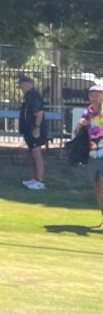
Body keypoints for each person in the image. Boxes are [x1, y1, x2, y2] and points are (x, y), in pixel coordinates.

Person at [72, 83, 103, 228]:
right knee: (97, 187)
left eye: (98, 94)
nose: (94, 97)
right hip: (93, 154)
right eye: (92, 94)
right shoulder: (88, 112)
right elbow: (76, 132)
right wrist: (79, 126)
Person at [18, 74, 47, 190]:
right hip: (29, 129)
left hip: (35, 129)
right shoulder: (28, 95)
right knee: (33, 154)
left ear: (27, 84)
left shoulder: (33, 95)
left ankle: (40, 181)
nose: (21, 88)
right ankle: (35, 178)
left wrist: (37, 127)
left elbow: (38, 113)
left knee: (37, 153)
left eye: (22, 85)